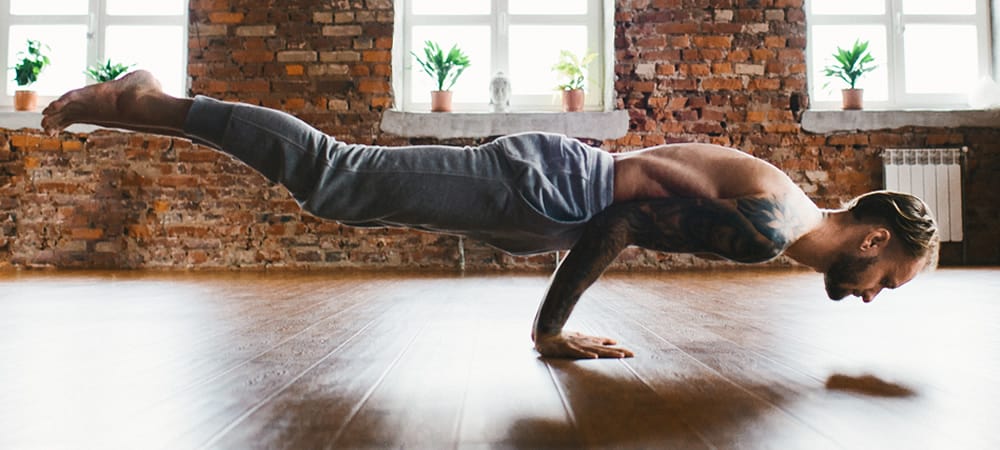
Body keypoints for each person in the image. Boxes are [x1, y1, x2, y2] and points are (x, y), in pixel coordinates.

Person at [41, 71, 939, 359]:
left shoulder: (778, 207)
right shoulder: (767, 231)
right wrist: (552, 332)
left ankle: (153, 105)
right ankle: (149, 102)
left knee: (341, 191)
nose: (872, 294)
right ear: (873, 238)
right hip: (552, 191)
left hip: (552, 191)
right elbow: (617, 224)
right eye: (887, 279)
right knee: (335, 175)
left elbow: (642, 190)